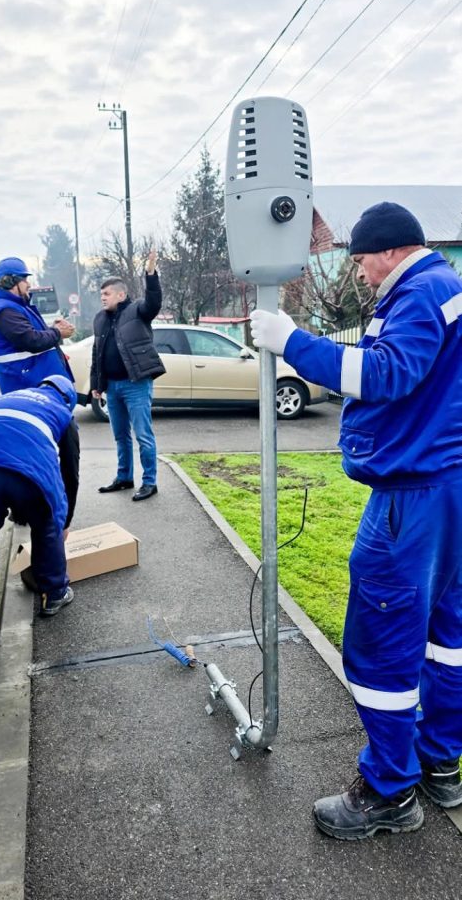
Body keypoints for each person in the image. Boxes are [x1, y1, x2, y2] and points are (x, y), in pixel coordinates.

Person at [250, 201, 462, 840]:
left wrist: (291, 342)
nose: (362, 274)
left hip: (412, 496)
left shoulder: (421, 291)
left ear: (392, 250)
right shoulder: (447, 288)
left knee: (381, 639)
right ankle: (441, 762)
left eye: (364, 261)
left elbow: (387, 372)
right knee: (445, 635)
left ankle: (388, 793)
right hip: (447, 486)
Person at [0, 375, 80, 629]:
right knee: (47, 525)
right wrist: (64, 521)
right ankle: (55, 594)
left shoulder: (2, 399)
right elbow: (69, 475)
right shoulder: (62, 412)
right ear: (68, 399)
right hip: (31, 476)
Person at [91, 250, 165, 501]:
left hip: (136, 385)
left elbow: (154, 301)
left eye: (107, 293)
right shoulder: (100, 319)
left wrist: (151, 273)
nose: (102, 297)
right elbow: (97, 353)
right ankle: (124, 478)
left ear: (120, 295)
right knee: (120, 436)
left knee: (143, 435)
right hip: (112, 387)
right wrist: (96, 384)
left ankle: (149, 482)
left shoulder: (137, 311)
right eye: (101, 294)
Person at [0, 257, 74, 395]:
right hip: (30, 389)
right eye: (24, 279)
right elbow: (31, 340)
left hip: (37, 386)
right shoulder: (6, 311)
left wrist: (51, 328)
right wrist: (57, 332)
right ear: (11, 281)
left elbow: (30, 333)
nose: (28, 284)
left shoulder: (15, 306)